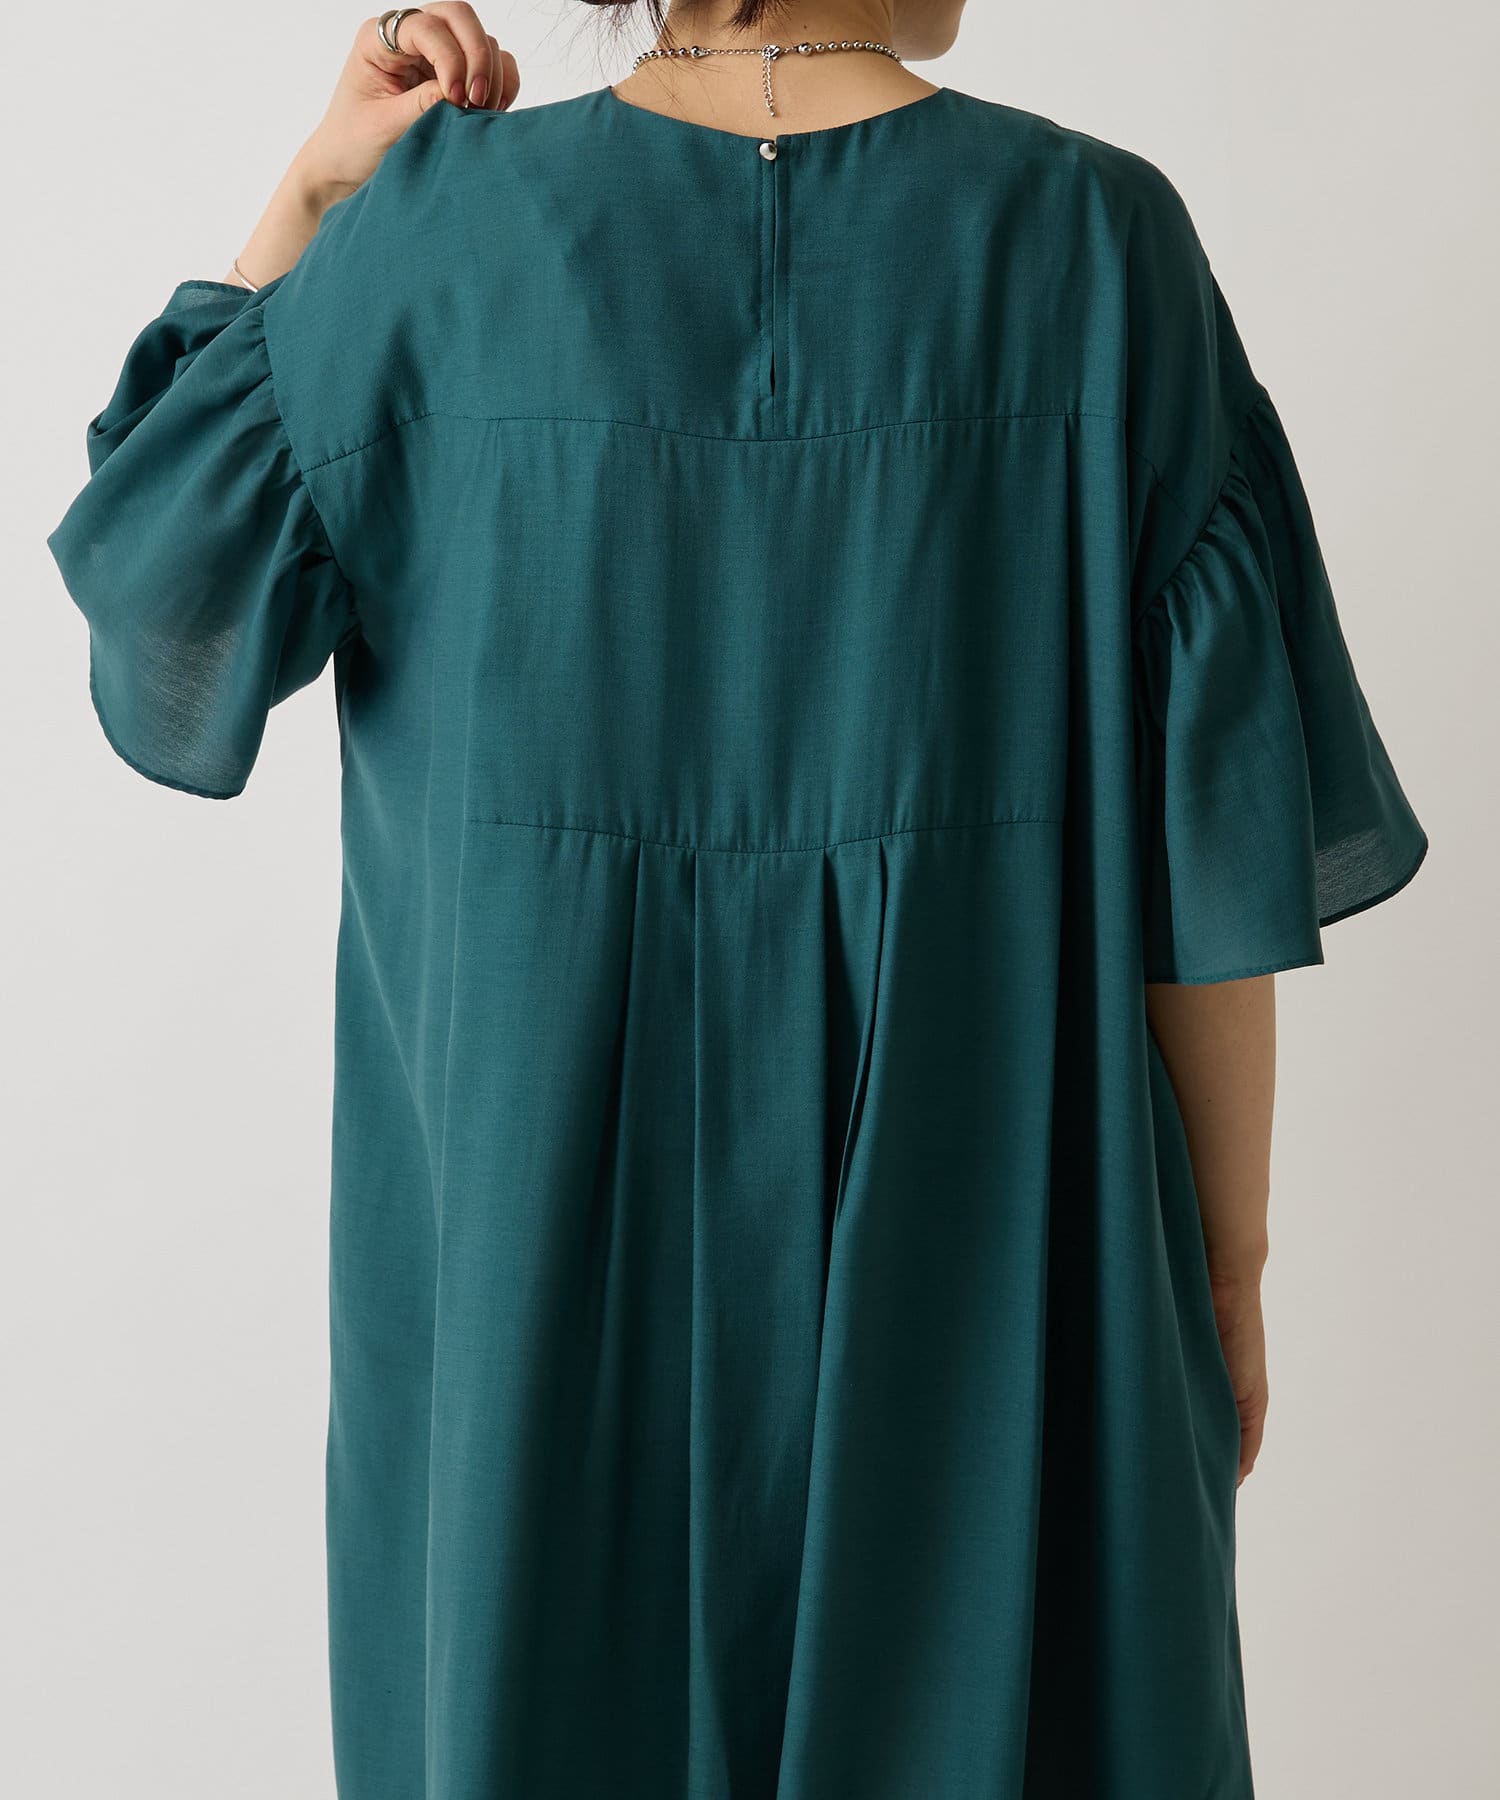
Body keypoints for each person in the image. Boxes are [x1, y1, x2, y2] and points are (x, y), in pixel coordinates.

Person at [45, 3, 1430, 1796]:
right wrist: (1228, 1261)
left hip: (534, 1279)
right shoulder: (1102, 245)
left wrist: (309, 198)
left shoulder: (432, 240)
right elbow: (1212, 861)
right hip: (1000, 1250)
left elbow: (159, 583)